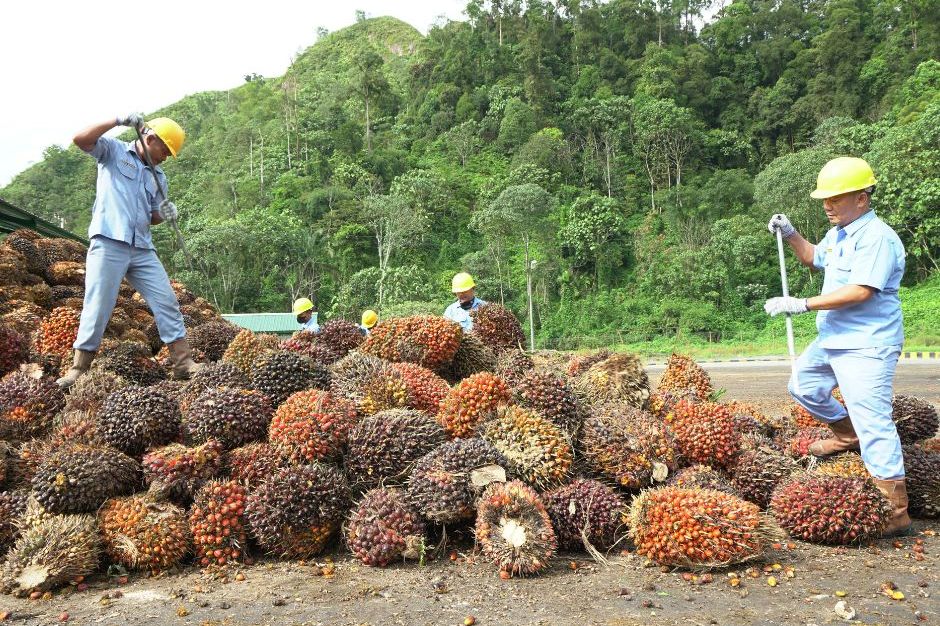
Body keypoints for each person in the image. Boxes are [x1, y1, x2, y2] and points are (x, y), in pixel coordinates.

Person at [765, 156, 909, 536]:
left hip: (867, 343)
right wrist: (792, 234)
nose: (828, 205)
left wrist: (803, 303)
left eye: (836, 198)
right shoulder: (840, 233)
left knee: (874, 420)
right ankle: (847, 435)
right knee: (803, 386)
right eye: (825, 199)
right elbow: (815, 259)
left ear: (862, 198)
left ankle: (896, 511)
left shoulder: (877, 237)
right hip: (834, 338)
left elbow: (862, 290)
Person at [57, 114, 202, 388]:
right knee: (98, 305)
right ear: (150, 139)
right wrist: (115, 120)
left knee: (167, 301)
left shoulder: (159, 176)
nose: (166, 158)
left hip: (142, 248)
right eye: (165, 150)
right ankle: (79, 368)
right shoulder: (113, 151)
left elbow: (152, 216)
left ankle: (183, 363)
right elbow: (80, 139)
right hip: (109, 241)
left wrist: (164, 212)